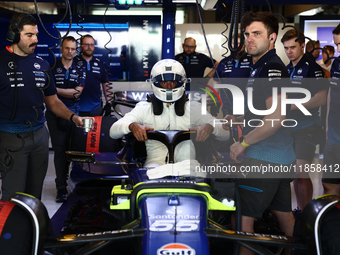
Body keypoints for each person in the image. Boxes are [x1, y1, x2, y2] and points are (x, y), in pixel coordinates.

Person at [224, 11, 296, 255]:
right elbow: (265, 113)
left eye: (257, 34)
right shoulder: (260, 67)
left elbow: (276, 118)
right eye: (247, 34)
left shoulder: (272, 68)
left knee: (242, 221)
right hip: (279, 158)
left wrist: (242, 143)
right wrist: (239, 118)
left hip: (264, 158)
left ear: (272, 37)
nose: (249, 39)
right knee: (284, 216)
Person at [0, 13, 89, 201]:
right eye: (29, 35)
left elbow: (53, 101)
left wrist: (73, 117)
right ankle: (11, 231)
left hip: (40, 136)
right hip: (10, 137)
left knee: (34, 195)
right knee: (12, 196)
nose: (36, 40)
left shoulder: (42, 64)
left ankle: (33, 230)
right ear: (14, 35)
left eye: (36, 34)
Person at [109, 59, 228, 175]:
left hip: (188, 165)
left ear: (182, 82)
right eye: (163, 82)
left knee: (194, 173)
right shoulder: (144, 108)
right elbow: (113, 131)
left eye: (174, 81)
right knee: (149, 176)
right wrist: (132, 126)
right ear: (154, 82)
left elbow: (225, 133)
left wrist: (210, 127)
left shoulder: (193, 107)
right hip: (154, 166)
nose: (169, 86)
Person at [281, 29, 327, 211]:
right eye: (286, 48)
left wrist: (292, 107)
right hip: (287, 127)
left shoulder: (312, 68)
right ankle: (299, 212)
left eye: (293, 47)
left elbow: (321, 98)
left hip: (308, 126)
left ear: (302, 46)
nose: (289, 51)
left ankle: (306, 214)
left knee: (301, 172)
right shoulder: (286, 68)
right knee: (293, 174)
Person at [46, 36, 86, 202]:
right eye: (67, 48)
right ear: (61, 49)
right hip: (55, 115)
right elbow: (50, 96)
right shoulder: (51, 66)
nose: (70, 52)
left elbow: (78, 92)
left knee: (76, 151)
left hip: (75, 115)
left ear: (76, 50)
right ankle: (61, 188)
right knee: (60, 151)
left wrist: (56, 90)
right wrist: (58, 93)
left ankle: (76, 183)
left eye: (73, 49)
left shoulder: (80, 66)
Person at [214, 34, 252, 117]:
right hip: (228, 107)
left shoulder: (252, 60)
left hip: (248, 107)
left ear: (244, 44)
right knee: (230, 128)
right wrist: (214, 100)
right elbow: (216, 81)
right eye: (234, 44)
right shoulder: (223, 62)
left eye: (239, 43)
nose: (236, 47)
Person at [322, 23, 340, 197]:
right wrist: (327, 126)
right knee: (328, 185)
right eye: (337, 45)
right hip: (332, 139)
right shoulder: (337, 65)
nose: (339, 49)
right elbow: (331, 96)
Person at [76, 34, 111, 117]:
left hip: (96, 109)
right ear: (81, 46)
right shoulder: (74, 62)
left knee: (96, 130)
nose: (89, 47)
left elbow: (105, 83)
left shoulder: (99, 62)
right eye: (86, 44)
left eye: (92, 45)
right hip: (76, 109)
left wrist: (109, 102)